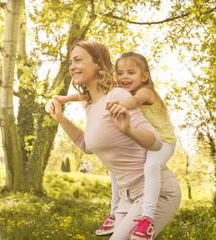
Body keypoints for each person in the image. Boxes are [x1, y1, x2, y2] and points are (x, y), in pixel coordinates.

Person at [46, 40, 181, 240]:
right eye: (70, 62)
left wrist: (128, 130)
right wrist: (61, 118)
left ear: (98, 64)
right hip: (126, 195)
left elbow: (156, 141)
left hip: (154, 191)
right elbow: (86, 146)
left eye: (78, 60)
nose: (72, 66)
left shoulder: (118, 96)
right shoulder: (91, 105)